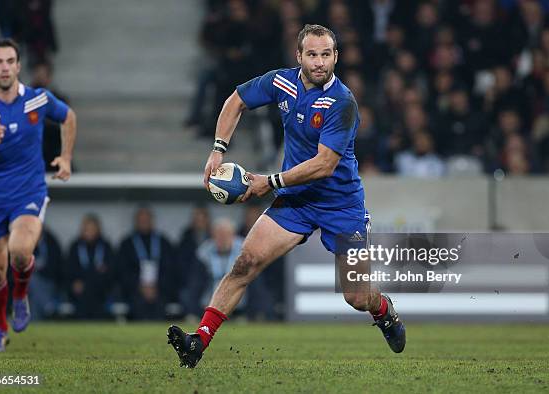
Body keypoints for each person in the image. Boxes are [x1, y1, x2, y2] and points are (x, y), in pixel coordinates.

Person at [168, 24, 405, 368]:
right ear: (299, 56)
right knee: (244, 264)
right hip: (296, 201)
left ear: (336, 56)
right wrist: (218, 150)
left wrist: (271, 181)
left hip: (341, 205)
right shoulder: (281, 82)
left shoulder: (343, 103)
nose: (320, 62)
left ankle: (384, 312)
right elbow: (236, 101)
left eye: (326, 54)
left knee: (357, 297)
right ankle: (198, 341)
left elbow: (324, 164)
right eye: (312, 54)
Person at [0, 39, 76, 351]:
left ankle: (20, 296)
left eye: (10, 61)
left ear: (19, 66)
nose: (4, 67)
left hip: (29, 192)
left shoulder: (37, 100)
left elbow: (68, 117)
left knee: (19, 252)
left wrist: (66, 157)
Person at [117, 206, 175, 320]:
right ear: (136, 222)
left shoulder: (163, 242)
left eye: (146, 220)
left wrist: (156, 285)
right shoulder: (127, 244)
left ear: (152, 221)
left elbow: (170, 269)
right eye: (141, 220)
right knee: (137, 305)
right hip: (135, 290)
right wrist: (140, 286)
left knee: (161, 305)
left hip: (160, 290)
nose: (144, 223)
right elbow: (122, 271)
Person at [66, 214, 115, 319]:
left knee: (94, 290)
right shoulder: (75, 246)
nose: (89, 232)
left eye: (92, 229)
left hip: (101, 291)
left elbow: (110, 271)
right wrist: (75, 282)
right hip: (79, 292)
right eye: (86, 229)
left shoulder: (106, 246)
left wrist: (91, 279)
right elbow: (68, 270)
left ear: (98, 229)